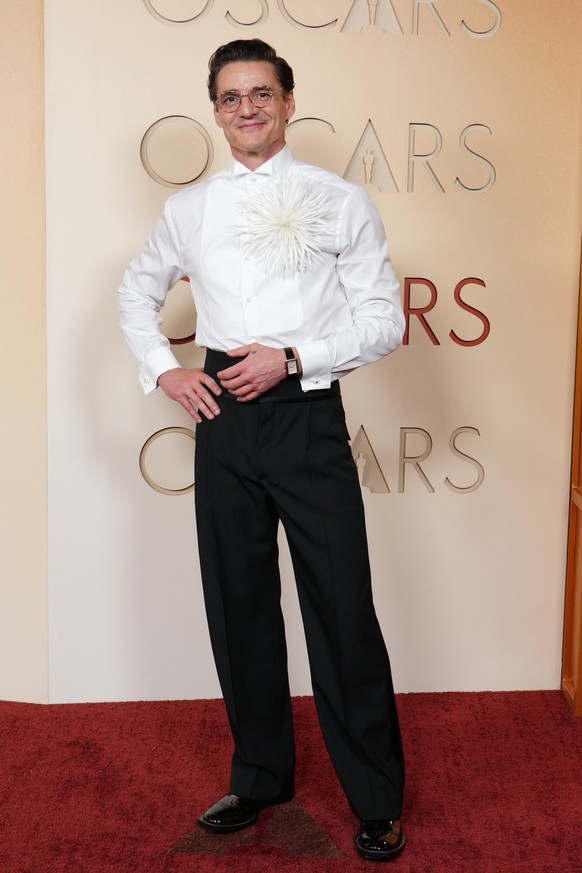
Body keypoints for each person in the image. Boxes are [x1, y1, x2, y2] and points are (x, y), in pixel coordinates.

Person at [118, 38, 406, 862]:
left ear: (287, 101)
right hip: (223, 419)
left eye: (261, 93)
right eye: (231, 96)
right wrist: (166, 372)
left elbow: (383, 318)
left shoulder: (341, 199)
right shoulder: (188, 210)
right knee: (237, 602)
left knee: (342, 609)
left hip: (307, 412)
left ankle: (378, 797)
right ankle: (261, 775)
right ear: (215, 110)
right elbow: (136, 290)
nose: (247, 108)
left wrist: (295, 357)